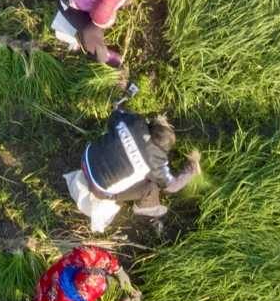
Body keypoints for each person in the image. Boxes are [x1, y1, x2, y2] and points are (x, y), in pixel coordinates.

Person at [68, 94, 200, 231]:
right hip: (99, 189)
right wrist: (190, 170)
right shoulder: (156, 161)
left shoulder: (135, 122)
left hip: (86, 158)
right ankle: (146, 209)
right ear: (163, 150)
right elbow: (171, 187)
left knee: (113, 140)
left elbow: (116, 112)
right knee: (151, 186)